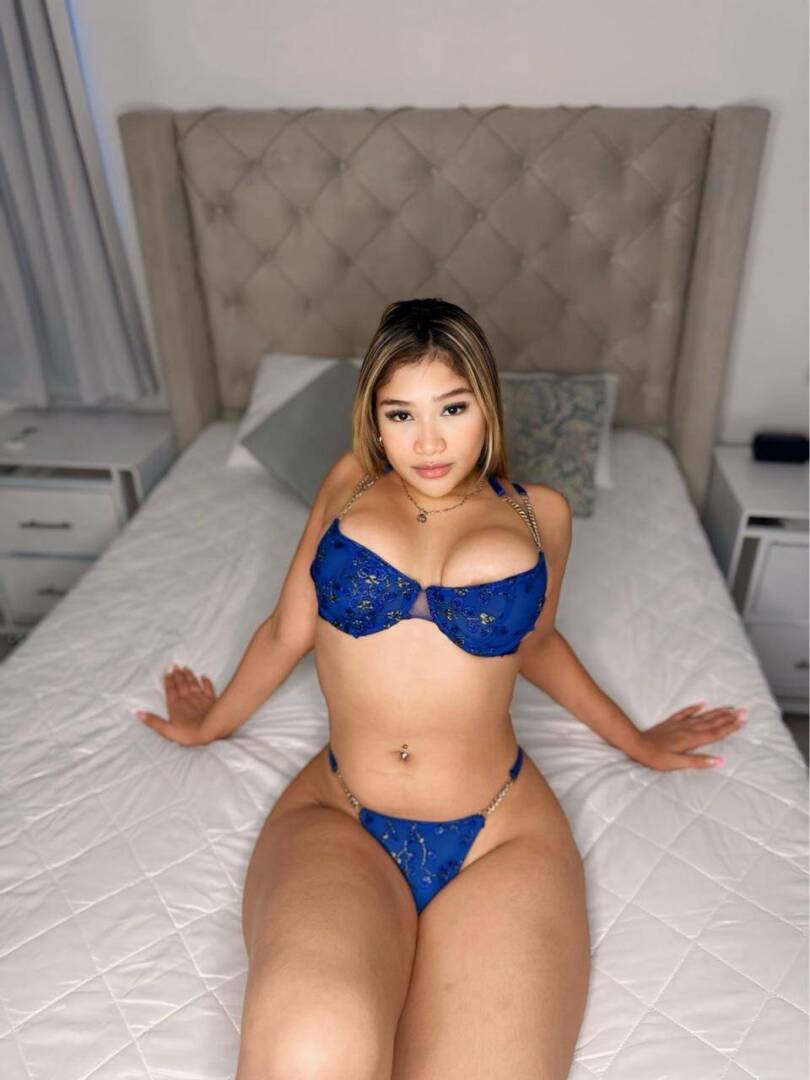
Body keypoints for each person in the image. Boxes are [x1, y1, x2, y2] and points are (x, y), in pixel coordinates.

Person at [135, 298, 746, 1080]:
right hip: (341, 815)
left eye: (452, 408)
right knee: (310, 1052)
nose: (427, 442)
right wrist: (207, 725)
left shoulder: (542, 515)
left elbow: (536, 643)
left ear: (487, 404)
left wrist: (638, 741)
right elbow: (287, 631)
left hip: (499, 836)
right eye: (401, 414)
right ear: (375, 418)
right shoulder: (349, 484)